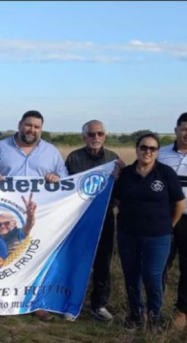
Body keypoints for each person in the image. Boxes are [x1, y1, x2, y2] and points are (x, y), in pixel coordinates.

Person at [0, 110, 67, 321]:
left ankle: (36, 303)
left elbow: (65, 175)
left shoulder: (51, 152)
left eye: (36, 127)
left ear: (41, 129)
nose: (31, 130)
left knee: (33, 257)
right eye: (28, 125)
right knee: (2, 257)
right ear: (19, 124)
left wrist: (56, 177)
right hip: (5, 215)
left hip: (37, 216)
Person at [114, 133, 185, 333]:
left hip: (158, 236)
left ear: (157, 152)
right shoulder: (126, 174)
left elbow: (179, 203)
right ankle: (135, 314)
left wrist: (169, 225)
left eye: (152, 149)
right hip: (128, 234)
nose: (147, 151)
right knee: (131, 275)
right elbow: (119, 200)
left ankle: (154, 316)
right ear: (137, 149)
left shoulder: (166, 173)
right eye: (144, 147)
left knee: (153, 276)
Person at [64, 120, 125, 322]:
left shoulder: (113, 159)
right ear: (84, 137)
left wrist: (120, 179)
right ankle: (71, 303)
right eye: (91, 134)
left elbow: (120, 190)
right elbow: (66, 187)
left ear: (105, 136)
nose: (95, 138)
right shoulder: (73, 158)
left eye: (100, 134)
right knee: (77, 260)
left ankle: (99, 304)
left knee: (103, 262)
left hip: (104, 217)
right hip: (78, 218)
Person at [158, 112, 187, 330]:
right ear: (176, 130)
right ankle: (155, 307)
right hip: (163, 218)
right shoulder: (160, 154)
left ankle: (181, 310)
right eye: (184, 129)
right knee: (159, 264)